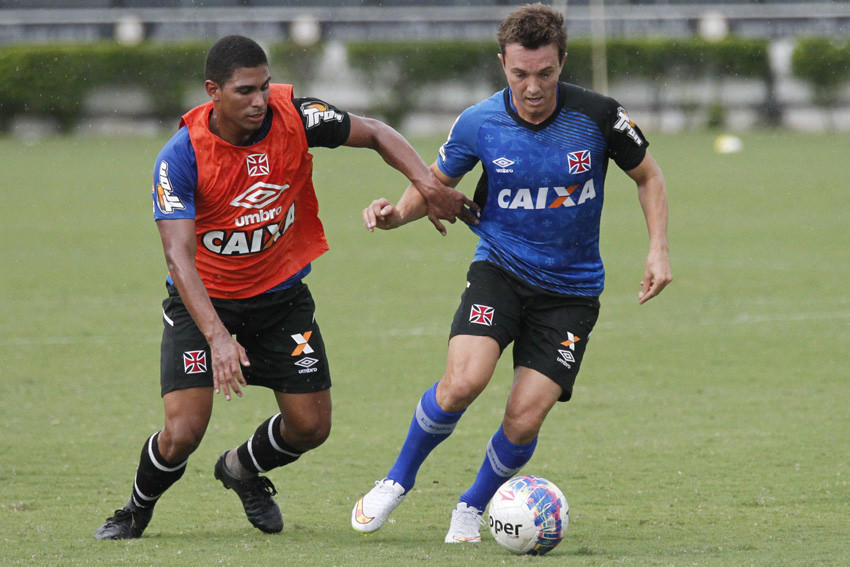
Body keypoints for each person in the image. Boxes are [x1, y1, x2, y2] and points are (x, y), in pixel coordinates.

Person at [94, 34, 476, 540]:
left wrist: (428, 186)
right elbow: (178, 259)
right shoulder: (180, 156)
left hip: (281, 299)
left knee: (311, 427)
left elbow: (376, 132)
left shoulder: (296, 115)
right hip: (204, 304)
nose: (260, 101)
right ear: (213, 91)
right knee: (183, 433)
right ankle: (134, 510)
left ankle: (241, 469)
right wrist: (217, 338)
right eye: (245, 91)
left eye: (265, 86)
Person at [351, 3, 672, 544]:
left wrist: (657, 249)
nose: (533, 87)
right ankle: (396, 480)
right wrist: (394, 216)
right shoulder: (479, 122)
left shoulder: (598, 116)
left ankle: (471, 507)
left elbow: (649, 176)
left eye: (545, 73)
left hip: (571, 292)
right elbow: (434, 184)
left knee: (524, 418)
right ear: (503, 63)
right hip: (500, 269)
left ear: (562, 61)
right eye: (520, 73)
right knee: (462, 383)